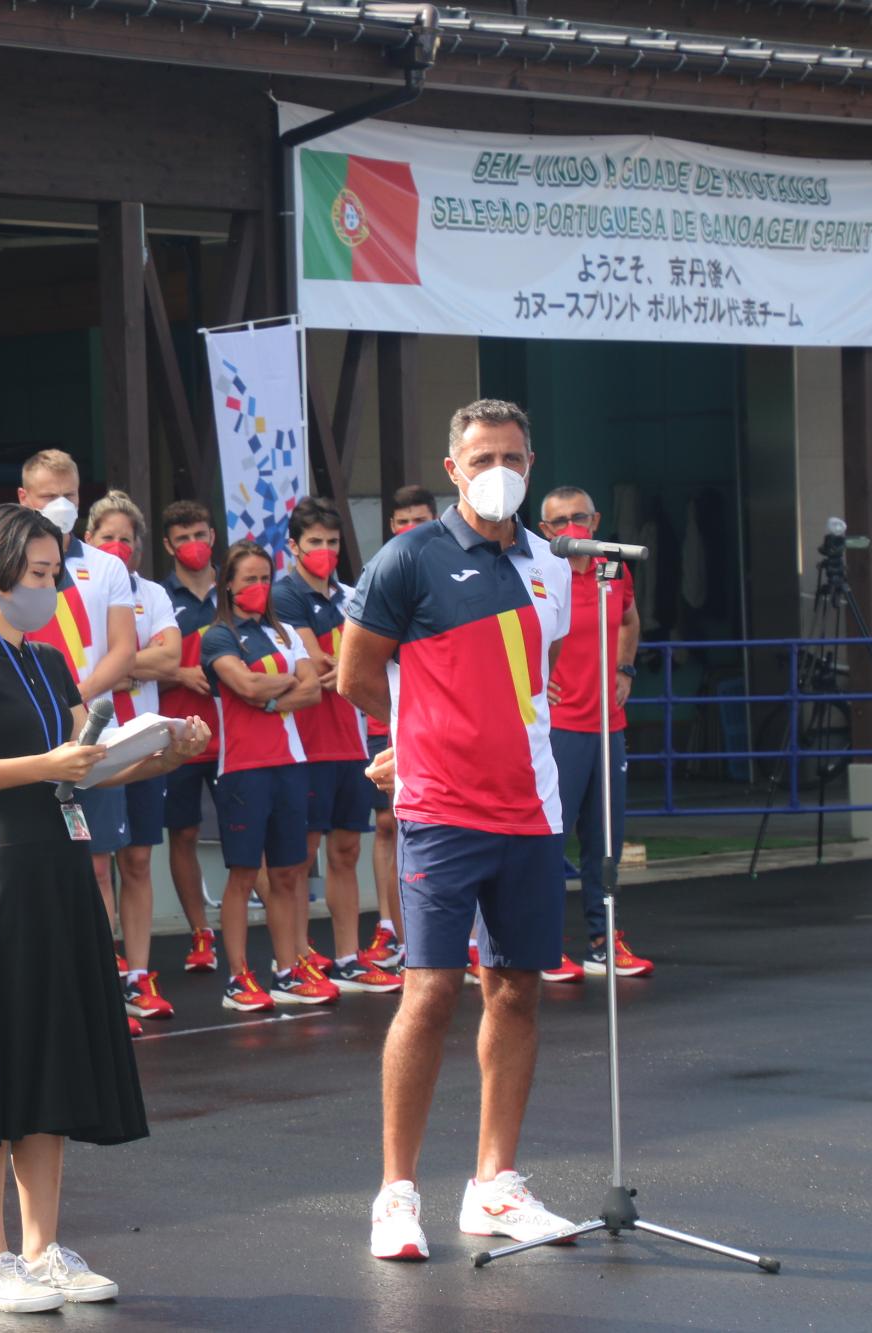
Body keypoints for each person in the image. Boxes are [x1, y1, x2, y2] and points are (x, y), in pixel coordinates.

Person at [0, 502, 210, 1313]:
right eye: (41, 575)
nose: (52, 588)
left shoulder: (48, 662)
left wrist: (158, 751)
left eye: (55, 574)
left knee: (44, 1064)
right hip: (4, 881)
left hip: (63, 878)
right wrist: (43, 758)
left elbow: (79, 771)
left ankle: (42, 1247)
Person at [340, 398, 575, 1261]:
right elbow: (356, 673)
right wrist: (411, 741)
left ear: (531, 457)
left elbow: (528, 684)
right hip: (441, 810)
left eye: (511, 454)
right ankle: (396, 1194)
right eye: (481, 458)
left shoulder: (552, 565)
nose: (498, 469)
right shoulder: (409, 558)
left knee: (516, 988)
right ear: (454, 469)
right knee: (430, 990)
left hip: (532, 808)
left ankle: (495, 1185)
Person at [271, 499, 401, 995]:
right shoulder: (284, 596)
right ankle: (301, 954)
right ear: (293, 547)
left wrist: (340, 667)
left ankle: (347, 957)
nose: (325, 551)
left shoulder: (350, 594)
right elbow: (315, 662)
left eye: (331, 542)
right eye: (315, 543)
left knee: (346, 850)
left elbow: (347, 668)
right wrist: (341, 666)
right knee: (301, 858)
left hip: (350, 740)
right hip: (305, 743)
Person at [202, 541, 333, 1013]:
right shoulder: (217, 636)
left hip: (290, 765)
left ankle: (286, 970)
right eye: (249, 579)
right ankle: (238, 977)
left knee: (288, 873)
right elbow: (244, 685)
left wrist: (269, 697)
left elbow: (312, 693)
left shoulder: (284, 634)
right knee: (242, 875)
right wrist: (279, 686)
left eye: (264, 579)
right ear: (229, 586)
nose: (259, 587)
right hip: (243, 770)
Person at [16, 450, 137, 953]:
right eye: (48, 497)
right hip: (24, 738)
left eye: (69, 496)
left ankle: (101, 978)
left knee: (97, 865)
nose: (60, 506)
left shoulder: (106, 566)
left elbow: (124, 650)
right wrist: (44, 707)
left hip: (93, 737)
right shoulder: (6, 562)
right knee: (27, 865)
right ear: (24, 499)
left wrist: (73, 703)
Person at [538, 485, 652, 982]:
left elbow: (628, 617)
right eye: (559, 522)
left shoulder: (612, 566)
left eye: (578, 518)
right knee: (548, 838)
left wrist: (625, 668)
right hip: (558, 727)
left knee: (605, 839)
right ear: (545, 531)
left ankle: (604, 939)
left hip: (609, 725)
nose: (571, 529)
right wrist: (537, 682)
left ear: (596, 519)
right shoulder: (539, 574)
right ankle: (542, 943)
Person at [82, 491, 181, 1023]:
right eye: (107, 538)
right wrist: (126, 664)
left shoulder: (154, 594)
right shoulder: (78, 588)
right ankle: (104, 975)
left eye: (126, 539)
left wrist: (117, 663)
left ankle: (139, 973)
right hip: (98, 741)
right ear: (89, 541)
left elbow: (171, 657)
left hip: (144, 737)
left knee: (139, 860)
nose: (117, 547)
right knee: (97, 864)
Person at [360, 485, 437, 973]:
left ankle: (459, 937)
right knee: (392, 826)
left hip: (444, 728)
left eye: (421, 520)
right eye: (402, 521)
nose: (411, 529)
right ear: (392, 527)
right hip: (388, 721)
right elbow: (357, 667)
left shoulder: (454, 574)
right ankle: (396, 928)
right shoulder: (383, 574)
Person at [156, 501, 224, 973]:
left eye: (199, 533)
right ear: (167, 545)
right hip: (179, 736)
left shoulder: (239, 591)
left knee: (252, 842)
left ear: (213, 536)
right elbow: (139, 668)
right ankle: (201, 932)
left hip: (237, 737)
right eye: (182, 538)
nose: (193, 545)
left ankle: (286, 936)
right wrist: (179, 674)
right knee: (183, 832)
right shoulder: (159, 599)